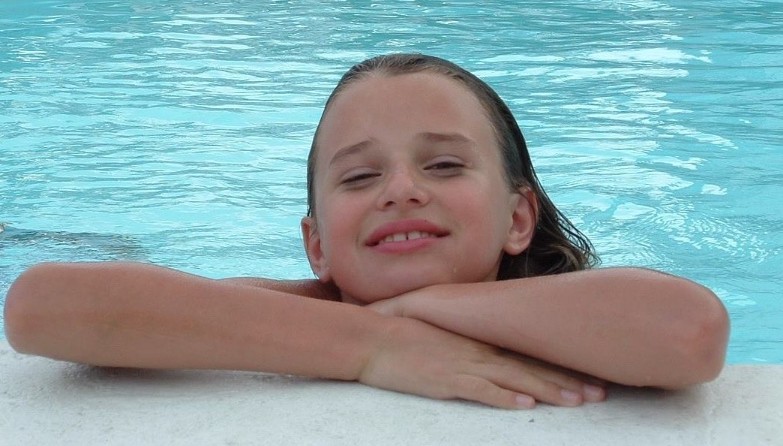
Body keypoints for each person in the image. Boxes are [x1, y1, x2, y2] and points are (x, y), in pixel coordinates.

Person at [3, 53, 729, 410]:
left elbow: (689, 333)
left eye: (443, 164)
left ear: (517, 218)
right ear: (317, 244)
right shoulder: (310, 313)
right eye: (357, 178)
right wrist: (371, 344)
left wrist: (417, 308)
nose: (402, 190)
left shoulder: (573, 314)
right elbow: (41, 307)